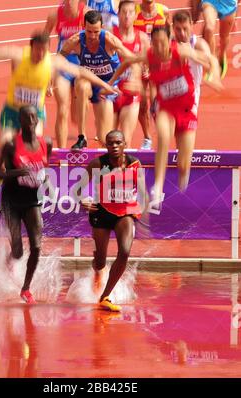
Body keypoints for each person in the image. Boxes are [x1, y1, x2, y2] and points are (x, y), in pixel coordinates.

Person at [109, 25, 221, 206]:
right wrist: (112, 82)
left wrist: (214, 77)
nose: (160, 47)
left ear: (169, 41)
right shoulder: (150, 55)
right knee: (163, 136)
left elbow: (210, 60)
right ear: (152, 43)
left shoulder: (182, 51)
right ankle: (158, 186)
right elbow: (127, 63)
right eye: (156, 43)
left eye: (163, 43)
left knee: (183, 165)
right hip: (166, 107)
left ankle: (183, 185)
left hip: (186, 109)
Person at [0, 31, 118, 148]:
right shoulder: (18, 56)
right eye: (38, 50)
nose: (41, 54)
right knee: (5, 147)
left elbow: (82, 71)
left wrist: (105, 85)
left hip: (35, 113)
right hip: (12, 110)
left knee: (33, 146)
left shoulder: (52, 62)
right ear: (31, 47)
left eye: (44, 50)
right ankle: (1, 175)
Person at [74, 130, 147, 311]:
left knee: (124, 251)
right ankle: (98, 270)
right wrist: (82, 200)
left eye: (118, 143)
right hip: (102, 212)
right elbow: (77, 189)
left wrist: (142, 213)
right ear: (105, 145)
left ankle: (105, 296)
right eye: (110, 143)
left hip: (125, 213)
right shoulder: (97, 164)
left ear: (125, 144)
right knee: (100, 260)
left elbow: (143, 192)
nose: (114, 146)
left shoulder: (135, 164)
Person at [0, 105, 52, 304]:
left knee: (36, 246)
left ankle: (26, 289)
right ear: (21, 121)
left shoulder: (46, 143)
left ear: (37, 120)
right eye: (26, 118)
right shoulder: (11, 145)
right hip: (11, 202)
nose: (31, 121)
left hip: (32, 201)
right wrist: (19, 173)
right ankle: (6, 267)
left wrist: (45, 180)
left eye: (34, 117)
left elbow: (44, 168)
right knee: (17, 251)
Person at [60, 10, 133, 148]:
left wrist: (141, 72)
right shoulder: (75, 40)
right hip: (89, 82)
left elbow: (130, 57)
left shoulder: (109, 40)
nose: (92, 36)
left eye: (96, 32)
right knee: (81, 84)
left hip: (106, 86)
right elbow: (58, 58)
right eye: (89, 32)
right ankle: (82, 137)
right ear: (83, 27)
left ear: (102, 28)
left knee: (103, 137)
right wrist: (51, 79)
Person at [43, 0, 88, 148]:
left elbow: (99, 38)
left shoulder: (85, 13)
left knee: (76, 115)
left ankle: (82, 137)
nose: (69, 2)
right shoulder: (55, 15)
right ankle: (62, 153)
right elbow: (44, 39)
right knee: (62, 109)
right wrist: (47, 70)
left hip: (81, 64)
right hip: (62, 63)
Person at [112, 0, 150, 148]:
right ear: (118, 14)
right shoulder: (110, 35)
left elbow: (150, 64)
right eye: (124, 12)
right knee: (106, 140)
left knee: (124, 143)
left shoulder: (142, 39)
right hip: (112, 93)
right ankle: (107, 171)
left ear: (136, 15)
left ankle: (122, 171)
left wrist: (146, 70)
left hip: (131, 95)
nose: (127, 16)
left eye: (130, 12)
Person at [133, 0, 170, 150]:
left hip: (157, 64)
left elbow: (168, 38)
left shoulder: (164, 11)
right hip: (140, 64)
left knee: (157, 103)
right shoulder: (133, 11)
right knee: (142, 104)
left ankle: (162, 135)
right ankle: (147, 137)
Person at [190, 0, 237, 78]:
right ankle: (213, 61)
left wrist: (235, 16)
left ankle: (222, 55)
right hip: (210, 2)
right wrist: (195, 9)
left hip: (228, 3)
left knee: (224, 36)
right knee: (209, 28)